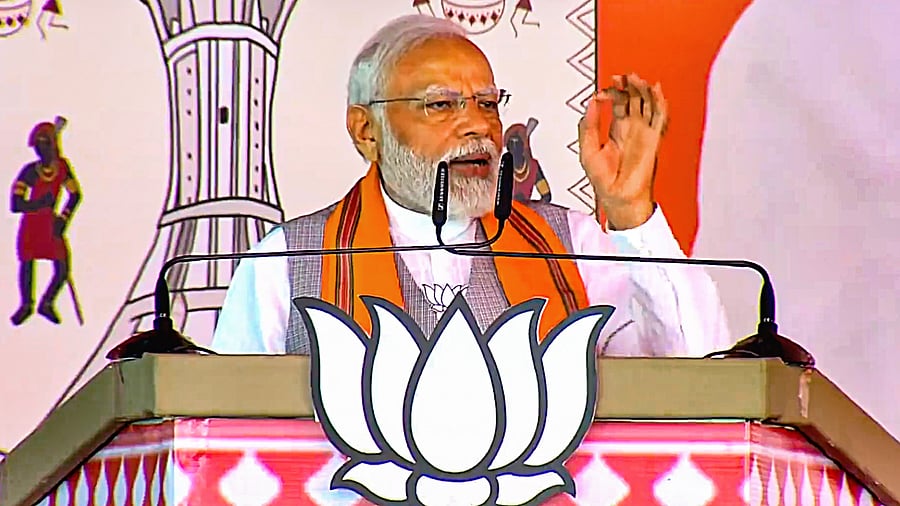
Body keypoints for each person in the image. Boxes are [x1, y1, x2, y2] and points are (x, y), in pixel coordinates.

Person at [211, 14, 732, 357]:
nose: (479, 126)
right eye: (441, 105)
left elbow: (696, 366)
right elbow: (225, 435)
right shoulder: (285, 262)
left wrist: (630, 210)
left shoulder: (572, 245)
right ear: (366, 131)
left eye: (487, 103)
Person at [9, 117, 81, 325]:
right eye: (39, 145)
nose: (43, 149)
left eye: (46, 144)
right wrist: (38, 203)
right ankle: (26, 305)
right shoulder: (30, 172)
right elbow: (15, 203)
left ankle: (47, 302)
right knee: (27, 264)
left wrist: (64, 218)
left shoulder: (62, 168)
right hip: (31, 224)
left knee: (62, 267)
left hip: (51, 224)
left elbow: (75, 195)